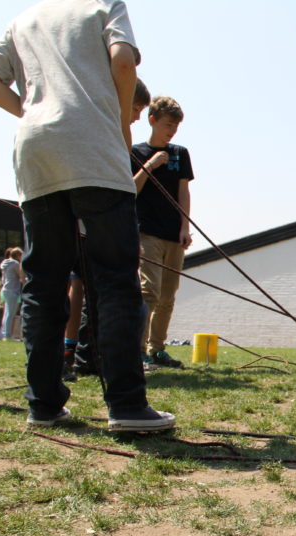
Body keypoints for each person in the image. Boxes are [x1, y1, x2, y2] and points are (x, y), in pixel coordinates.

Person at [0, 0, 174, 431]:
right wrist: (121, 122)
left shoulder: (22, 19)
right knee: (116, 280)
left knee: (44, 283)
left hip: (36, 150)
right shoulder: (105, 5)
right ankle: (125, 405)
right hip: (94, 146)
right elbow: (123, 63)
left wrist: (30, 113)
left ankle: (44, 405)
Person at [68, 78, 152, 380]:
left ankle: (86, 358)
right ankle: (87, 359)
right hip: (89, 229)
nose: (137, 117)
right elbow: (120, 190)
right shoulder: (101, 134)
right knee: (97, 297)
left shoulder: (111, 135)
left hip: (94, 227)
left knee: (91, 296)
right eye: (136, 108)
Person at [133, 96, 193, 369]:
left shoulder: (180, 153)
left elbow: (183, 191)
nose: (172, 131)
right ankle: (138, 350)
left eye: (176, 126)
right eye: (168, 124)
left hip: (173, 233)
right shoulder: (135, 152)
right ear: (153, 120)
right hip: (147, 232)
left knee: (168, 296)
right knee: (149, 291)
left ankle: (157, 349)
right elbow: (131, 188)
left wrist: (185, 227)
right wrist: (151, 164)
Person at [0, 247, 23, 341]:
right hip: (12, 290)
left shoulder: (5, 263)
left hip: (5, 289)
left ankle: (5, 334)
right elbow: (22, 276)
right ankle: (7, 335)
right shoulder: (15, 264)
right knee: (10, 314)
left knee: (7, 314)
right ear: (17, 255)